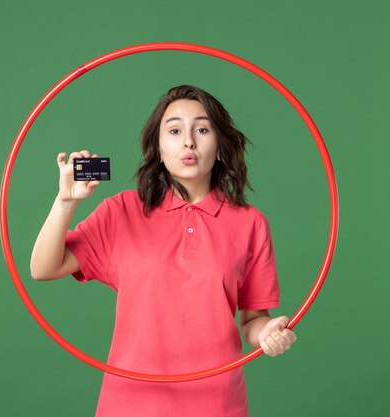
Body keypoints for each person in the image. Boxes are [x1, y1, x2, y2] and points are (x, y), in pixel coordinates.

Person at [30, 85, 297, 417]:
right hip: (129, 404)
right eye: (174, 130)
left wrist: (267, 334)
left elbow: (254, 321)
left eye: (202, 129)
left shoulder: (250, 223)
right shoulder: (121, 211)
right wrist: (65, 202)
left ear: (220, 145)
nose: (189, 141)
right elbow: (43, 268)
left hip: (216, 405)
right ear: (158, 146)